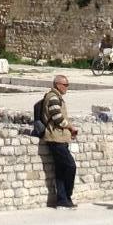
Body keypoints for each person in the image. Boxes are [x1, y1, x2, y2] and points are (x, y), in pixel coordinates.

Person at [41, 74, 79, 209]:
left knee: (61, 170)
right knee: (70, 166)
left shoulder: (56, 97)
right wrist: (71, 127)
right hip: (55, 139)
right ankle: (66, 196)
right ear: (58, 84)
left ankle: (62, 200)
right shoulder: (53, 98)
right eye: (65, 85)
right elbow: (58, 118)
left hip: (59, 137)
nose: (67, 87)